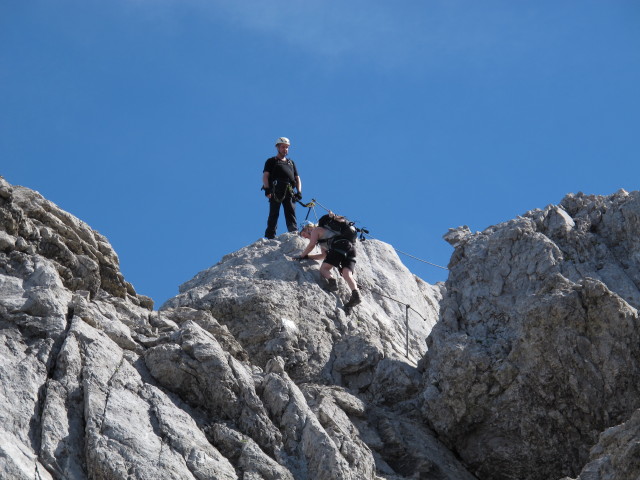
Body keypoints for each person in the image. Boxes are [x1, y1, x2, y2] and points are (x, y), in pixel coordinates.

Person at [295, 219, 362, 312]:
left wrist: (301, 256)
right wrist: (308, 257)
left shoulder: (316, 230)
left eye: (303, 234)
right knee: (347, 274)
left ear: (307, 228)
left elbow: (311, 245)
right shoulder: (323, 239)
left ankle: (332, 282)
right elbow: (323, 255)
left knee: (323, 269)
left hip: (339, 245)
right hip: (350, 248)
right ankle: (356, 295)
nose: (305, 237)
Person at [262, 137, 302, 239]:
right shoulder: (271, 161)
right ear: (278, 147)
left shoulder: (291, 163)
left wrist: (299, 192)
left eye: (287, 147)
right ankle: (270, 235)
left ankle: (293, 232)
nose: (285, 149)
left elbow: (297, 178)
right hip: (276, 189)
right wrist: (267, 189)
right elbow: (265, 176)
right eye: (283, 147)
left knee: (290, 213)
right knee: (274, 213)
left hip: (289, 190)